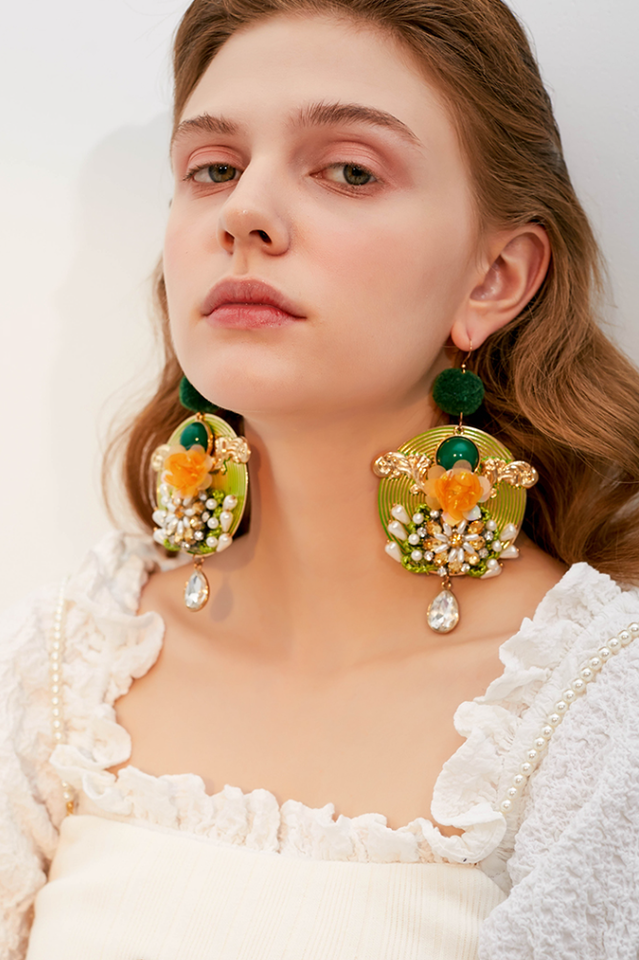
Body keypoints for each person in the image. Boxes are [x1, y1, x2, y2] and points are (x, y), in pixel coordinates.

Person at [3, 0, 639, 957]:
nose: (243, 213)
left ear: (494, 277)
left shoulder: (596, 714)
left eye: (349, 169)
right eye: (210, 169)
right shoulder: (66, 669)